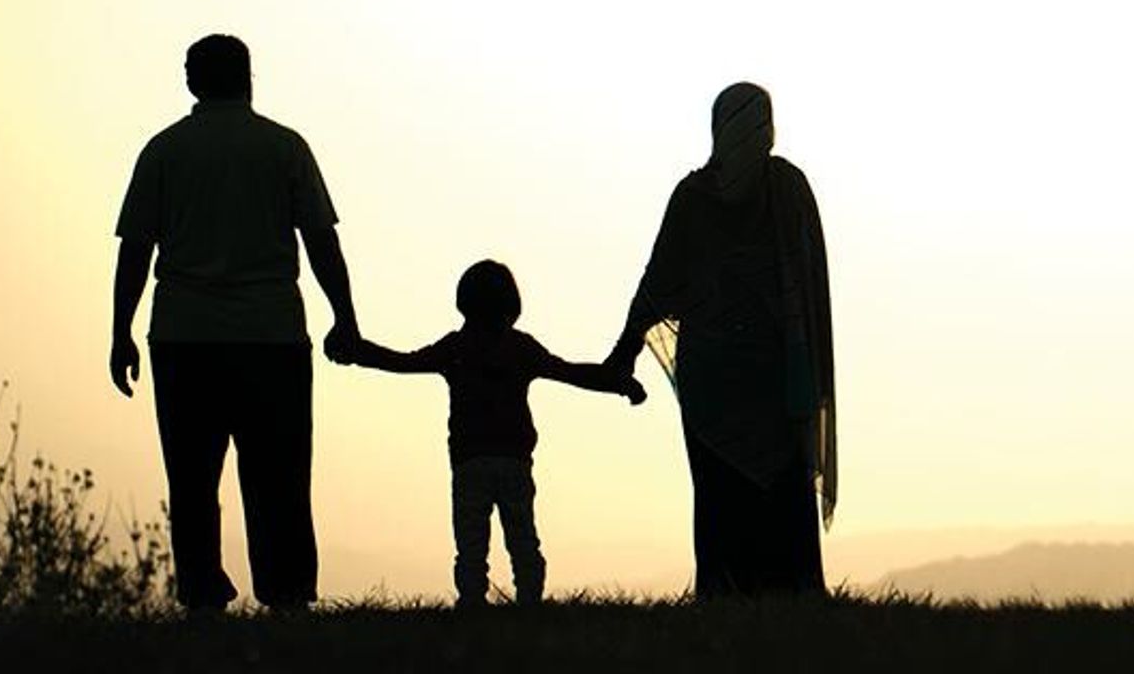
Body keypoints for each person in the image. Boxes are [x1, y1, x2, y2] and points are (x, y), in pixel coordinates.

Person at [109, 34, 360, 610]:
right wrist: (345, 317)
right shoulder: (284, 147)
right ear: (248, 77)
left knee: (192, 479)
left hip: (183, 336)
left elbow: (135, 250)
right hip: (272, 335)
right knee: (280, 476)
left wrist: (120, 332)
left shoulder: (164, 150)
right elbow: (321, 240)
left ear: (192, 81)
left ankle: (202, 595)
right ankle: (287, 593)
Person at [604, 82, 835, 598]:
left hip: (716, 373)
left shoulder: (698, 196)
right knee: (776, 482)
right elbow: (807, 283)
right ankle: (789, 593)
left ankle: (727, 591)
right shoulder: (785, 188)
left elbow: (657, 284)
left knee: (721, 487)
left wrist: (624, 352)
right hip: (776, 369)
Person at [340, 260, 645, 607]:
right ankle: (529, 602)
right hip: (514, 461)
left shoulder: (456, 347)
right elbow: (571, 372)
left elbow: (402, 362)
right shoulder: (520, 348)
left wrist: (357, 351)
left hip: (469, 461)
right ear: (511, 306)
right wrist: (618, 383)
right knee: (523, 538)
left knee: (471, 543)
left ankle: (472, 601)